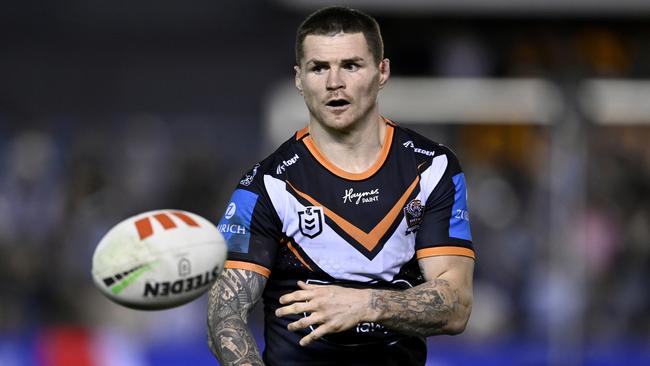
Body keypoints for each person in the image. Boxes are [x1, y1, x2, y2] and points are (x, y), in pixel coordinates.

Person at [207, 6, 475, 366]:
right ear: (299, 79)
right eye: (319, 68)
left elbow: (457, 305)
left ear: (382, 72)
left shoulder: (431, 167)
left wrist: (364, 304)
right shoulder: (266, 186)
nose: (335, 82)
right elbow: (225, 318)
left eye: (351, 65)